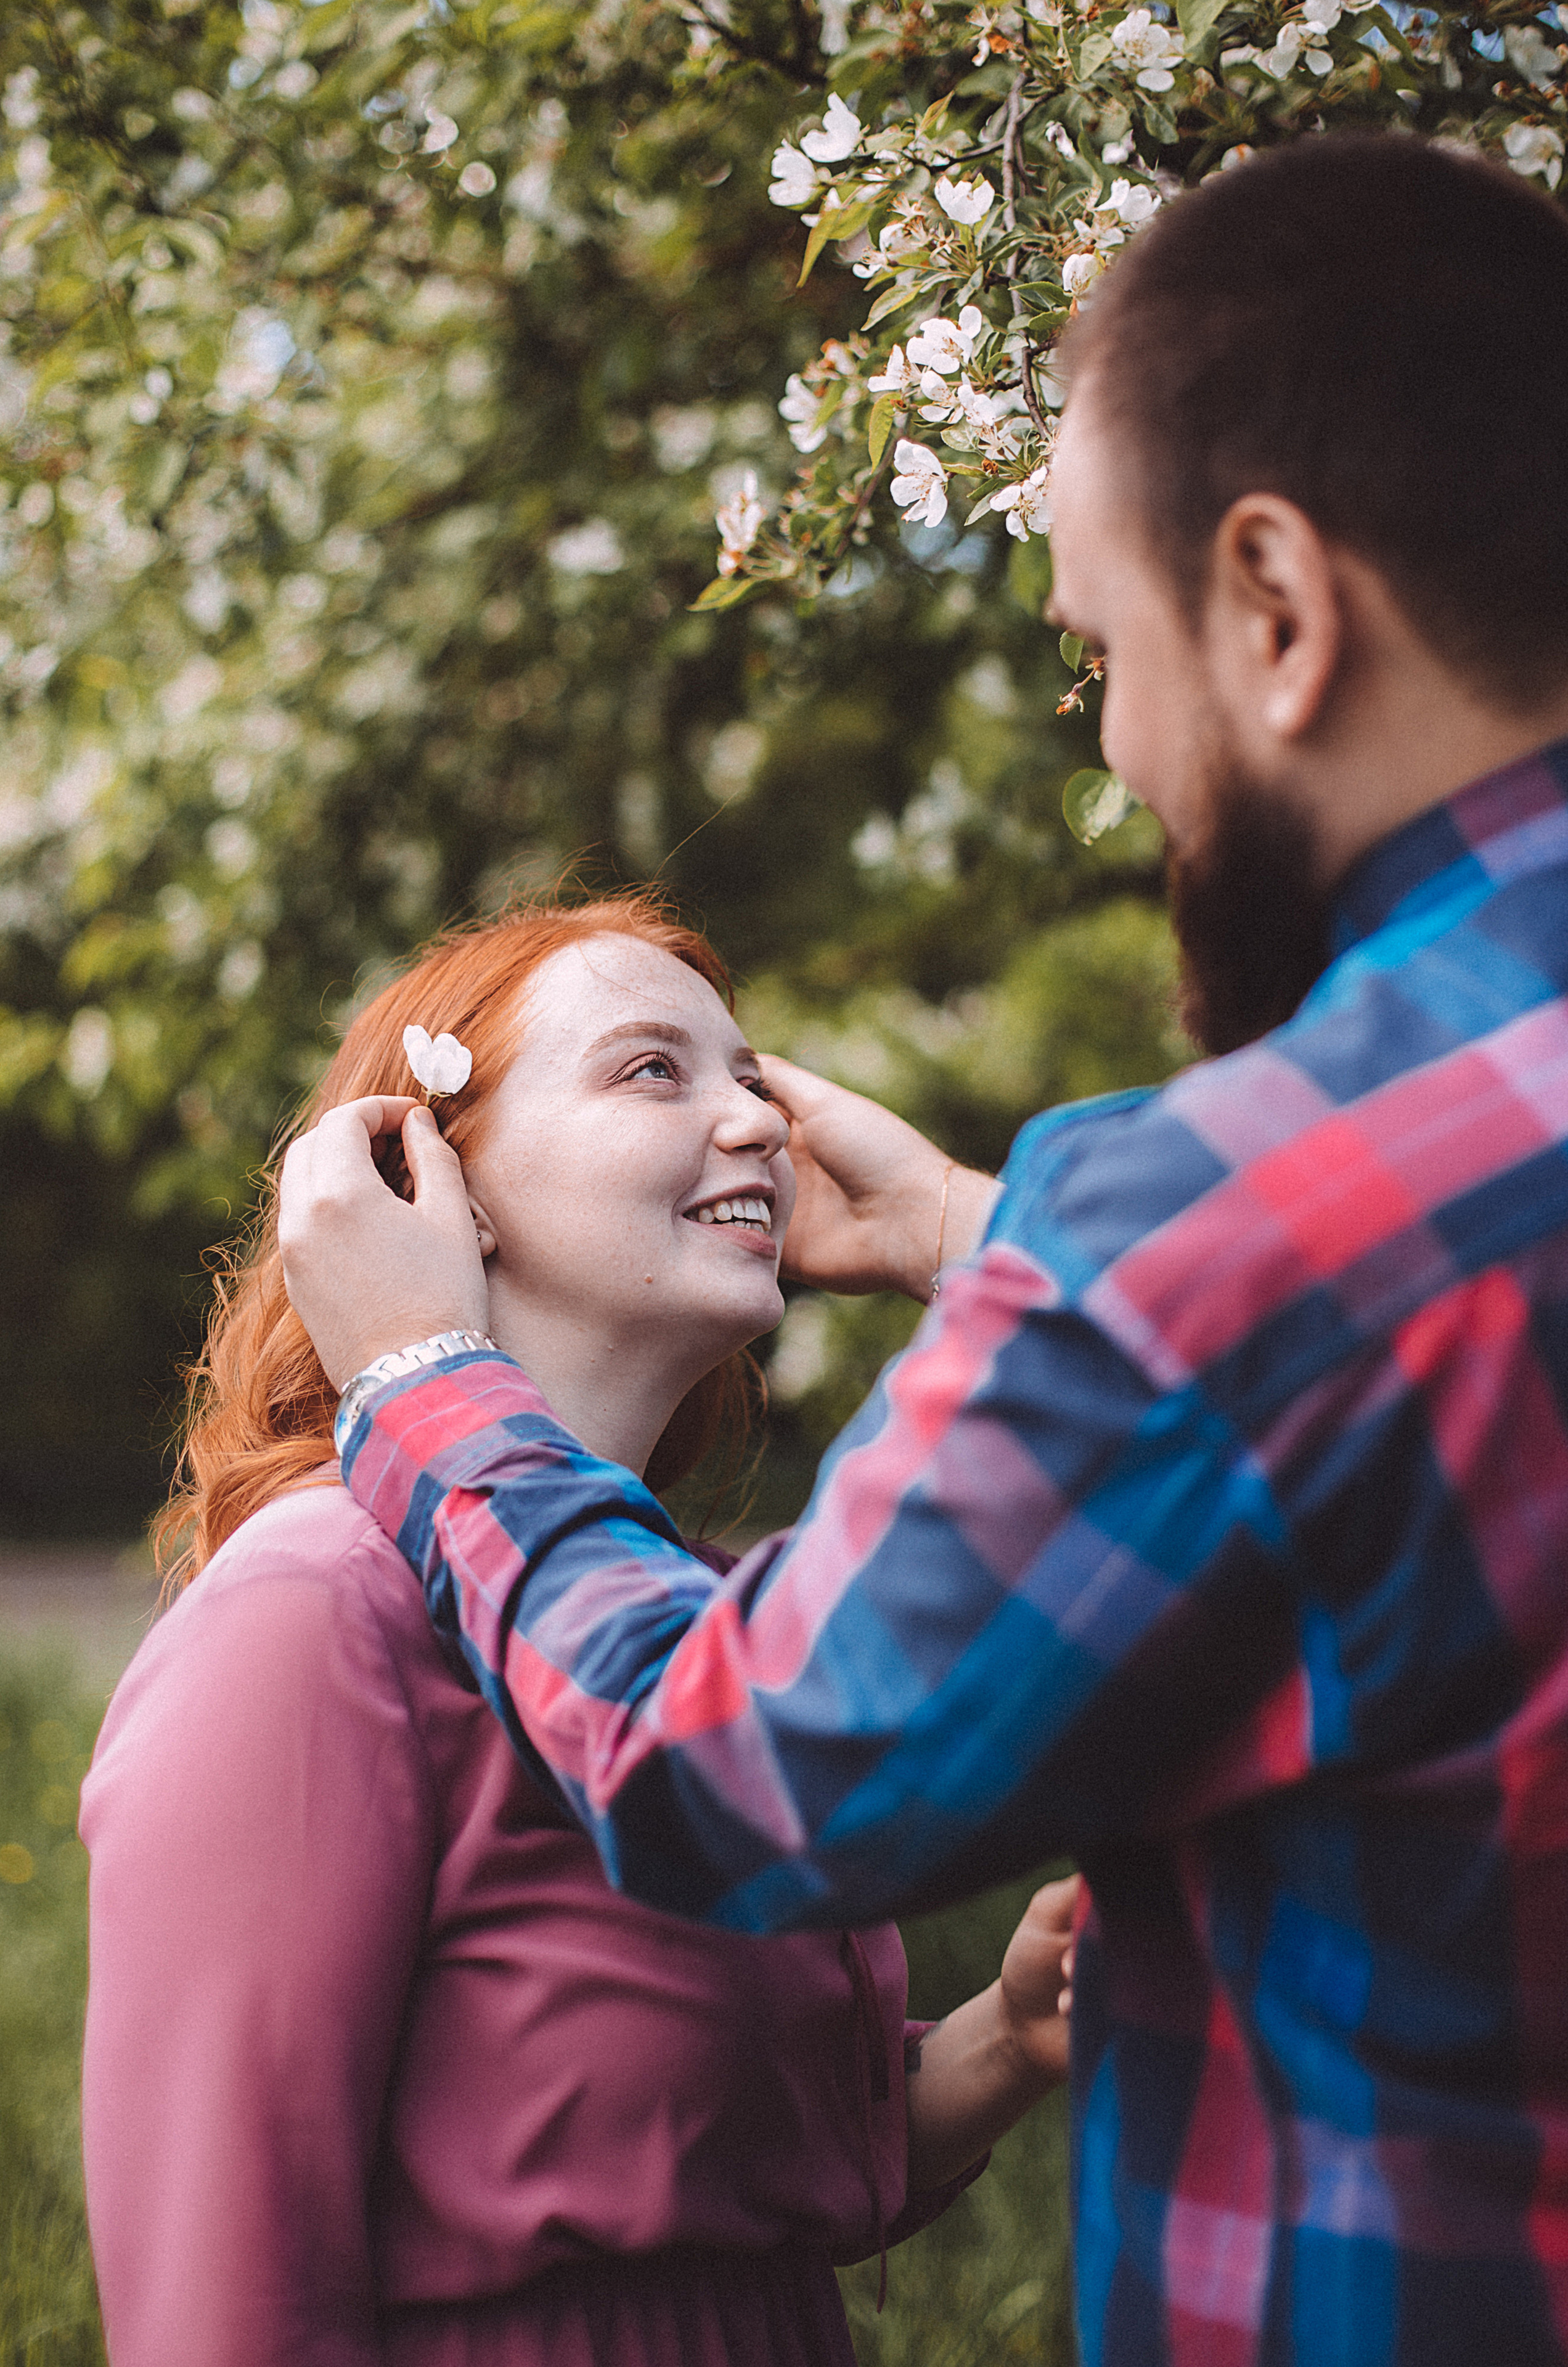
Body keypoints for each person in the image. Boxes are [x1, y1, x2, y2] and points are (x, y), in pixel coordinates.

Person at [279, 136, 1568, 2365]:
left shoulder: (1242, 1228)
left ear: (1273, 606)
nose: (1121, 743)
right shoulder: (286, 1645)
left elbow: (741, 1768)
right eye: (636, 1070)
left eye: (1102, 645)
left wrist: (419, 1391)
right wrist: (1007, 1235)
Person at [79, 893, 1078, 2367]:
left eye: (749, 1073)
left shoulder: (690, 1622)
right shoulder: (313, 1618)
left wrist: (1003, 2037)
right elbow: (223, 2300)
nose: (757, 1121)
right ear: (436, 1179)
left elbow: (733, 2199)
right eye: (651, 1071)